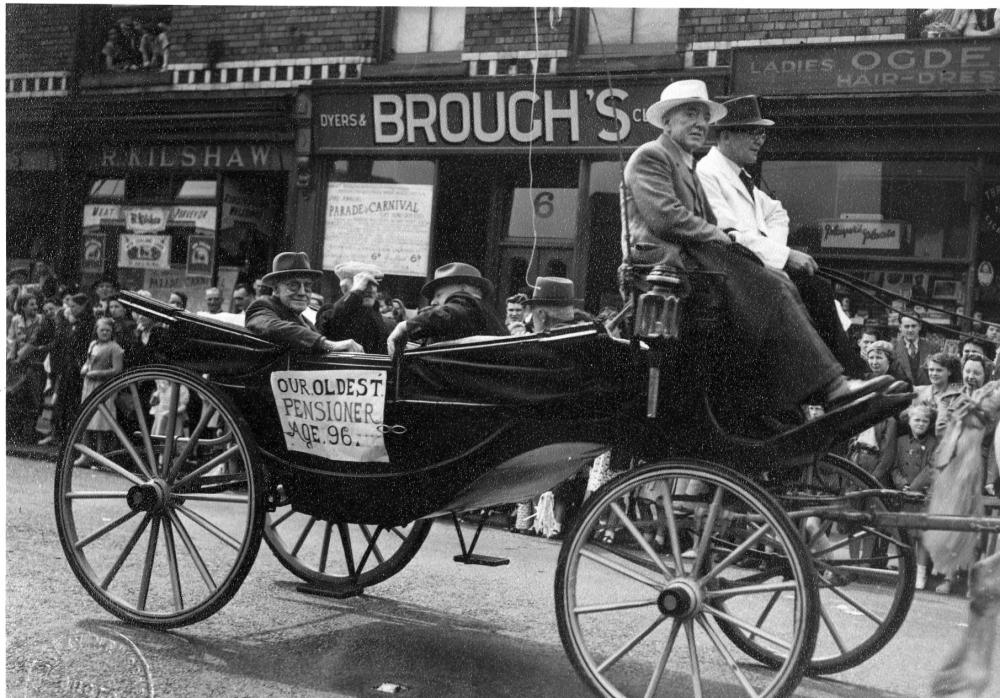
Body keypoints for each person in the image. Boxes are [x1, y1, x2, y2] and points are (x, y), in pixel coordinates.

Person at [621, 79, 878, 427]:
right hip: (665, 270)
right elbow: (666, 219)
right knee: (768, 288)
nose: (699, 123)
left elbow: (713, 224)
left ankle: (810, 392)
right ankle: (827, 386)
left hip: (693, 263)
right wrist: (722, 237)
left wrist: (730, 240)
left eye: (703, 116)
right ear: (667, 122)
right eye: (689, 115)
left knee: (779, 283)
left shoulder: (689, 168)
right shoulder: (651, 156)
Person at [695, 94, 867, 378]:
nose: (760, 140)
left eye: (761, 132)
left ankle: (845, 373)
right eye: (752, 132)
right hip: (735, 275)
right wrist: (784, 256)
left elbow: (777, 214)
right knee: (816, 290)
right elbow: (726, 235)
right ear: (725, 136)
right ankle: (844, 376)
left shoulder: (742, 178)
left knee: (819, 289)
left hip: (759, 268)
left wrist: (774, 252)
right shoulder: (707, 174)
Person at [523, 277, 594, 539]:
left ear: (541, 313)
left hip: (557, 430)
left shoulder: (552, 343)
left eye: (533, 313)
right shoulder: (583, 334)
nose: (532, 320)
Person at [245, 251, 362, 354]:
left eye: (307, 285)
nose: (302, 292)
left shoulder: (305, 321)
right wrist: (329, 345)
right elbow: (272, 327)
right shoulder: (262, 306)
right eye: (293, 285)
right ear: (276, 289)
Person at [876, 403, 938, 590]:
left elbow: (930, 468)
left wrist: (914, 487)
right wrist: (902, 484)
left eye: (925, 421)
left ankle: (920, 575)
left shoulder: (933, 443)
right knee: (905, 534)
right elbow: (894, 466)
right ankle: (906, 571)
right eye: (917, 420)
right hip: (903, 494)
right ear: (909, 421)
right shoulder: (901, 440)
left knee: (922, 536)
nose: (920, 424)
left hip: (922, 494)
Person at [387, 262, 508, 357]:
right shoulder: (489, 313)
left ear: (463, 289)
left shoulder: (466, 301)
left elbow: (448, 314)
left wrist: (404, 326)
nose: (433, 302)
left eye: (439, 295)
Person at [74, 318, 125, 468]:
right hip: (89, 386)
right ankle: (85, 456)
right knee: (87, 420)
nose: (104, 333)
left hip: (104, 387)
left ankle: (100, 456)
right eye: (102, 330)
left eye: (108, 330)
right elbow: (88, 362)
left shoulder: (115, 348)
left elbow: (117, 370)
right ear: (96, 330)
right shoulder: (93, 344)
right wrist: (85, 367)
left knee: (101, 423)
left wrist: (97, 373)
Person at [6, 291, 56, 444]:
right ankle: (15, 431)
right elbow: (11, 340)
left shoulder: (41, 321)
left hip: (36, 364)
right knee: (16, 395)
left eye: (36, 304)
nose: (35, 307)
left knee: (34, 397)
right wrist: (11, 358)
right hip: (18, 364)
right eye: (31, 304)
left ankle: (29, 431)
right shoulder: (16, 320)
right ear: (22, 307)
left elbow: (39, 342)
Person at [49, 293, 96, 448]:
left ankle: (70, 437)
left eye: (74, 306)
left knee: (73, 403)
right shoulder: (76, 322)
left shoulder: (87, 323)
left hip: (77, 369)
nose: (71, 309)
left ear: (83, 306)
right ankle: (61, 435)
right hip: (69, 367)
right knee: (64, 401)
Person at [316, 262, 388, 354]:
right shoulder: (328, 312)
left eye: (373, 284)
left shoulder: (378, 317)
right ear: (344, 289)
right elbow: (335, 319)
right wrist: (355, 294)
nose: (371, 289)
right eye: (363, 284)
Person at [892, 314, 934, 386]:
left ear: (919, 327)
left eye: (913, 326)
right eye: (906, 326)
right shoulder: (893, 349)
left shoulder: (932, 348)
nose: (910, 330)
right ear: (900, 327)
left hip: (926, 393)